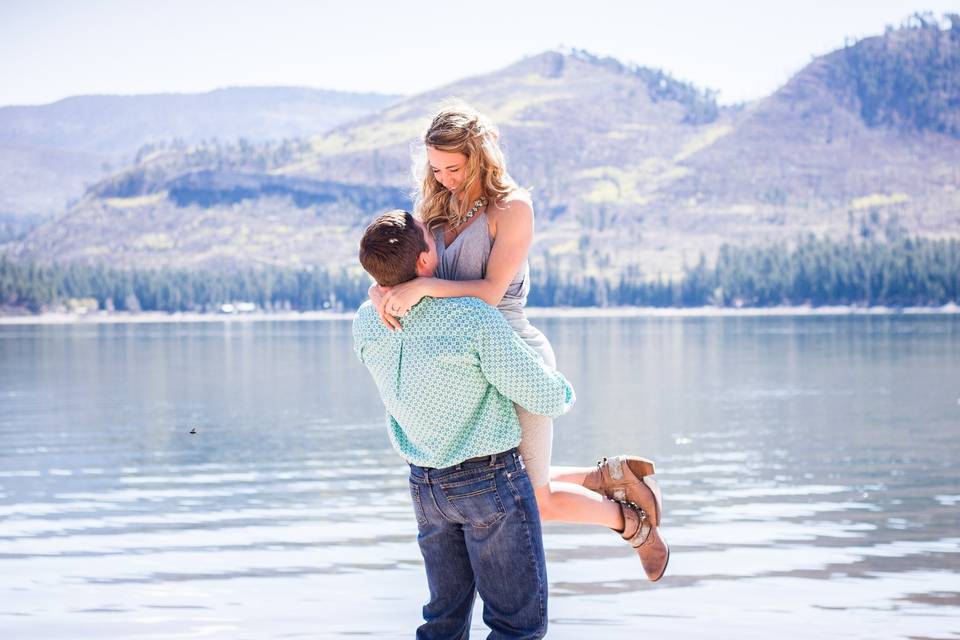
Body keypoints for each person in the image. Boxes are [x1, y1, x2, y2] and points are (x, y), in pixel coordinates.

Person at [369, 103, 669, 579]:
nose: (444, 178)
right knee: (499, 482)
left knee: (536, 501)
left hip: (514, 353)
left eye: (455, 167)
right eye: (436, 168)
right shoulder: (435, 206)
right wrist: (381, 288)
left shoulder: (512, 208)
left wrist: (424, 288)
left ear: (480, 157)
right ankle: (608, 478)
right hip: (465, 364)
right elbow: (410, 263)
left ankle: (634, 526)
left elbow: (490, 293)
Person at [353, 209, 573, 638]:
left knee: (444, 623)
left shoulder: (366, 323)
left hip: (426, 489)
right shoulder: (471, 318)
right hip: (488, 483)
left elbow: (376, 299)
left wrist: (379, 290)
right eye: (431, 240)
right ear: (422, 264)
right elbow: (546, 398)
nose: (438, 242)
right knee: (517, 626)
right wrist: (563, 387)